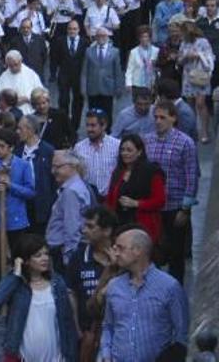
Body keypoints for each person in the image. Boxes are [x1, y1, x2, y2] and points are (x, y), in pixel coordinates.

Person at [99, 229, 189, 361]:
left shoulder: (169, 287)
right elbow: (108, 326)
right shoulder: (114, 286)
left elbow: (181, 334)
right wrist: (106, 355)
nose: (116, 253)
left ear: (137, 251)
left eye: (120, 248)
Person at [0, 234, 79, 361]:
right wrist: (16, 274)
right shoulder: (17, 286)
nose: (45, 258)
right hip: (23, 356)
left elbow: (67, 321)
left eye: (46, 254)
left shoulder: (57, 283)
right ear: (25, 260)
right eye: (38, 255)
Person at [143, 100, 198, 284]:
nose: (158, 121)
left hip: (175, 206)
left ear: (173, 118)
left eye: (162, 117)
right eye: (156, 117)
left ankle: (176, 290)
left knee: (176, 254)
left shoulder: (185, 143)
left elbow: (191, 176)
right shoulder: (147, 141)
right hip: (153, 207)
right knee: (153, 251)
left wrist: (185, 209)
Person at [0, 128, 36, 291]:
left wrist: (11, 186)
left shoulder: (23, 166)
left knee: (19, 258)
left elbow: (31, 191)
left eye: (2, 146)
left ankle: (20, 291)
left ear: (11, 148)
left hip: (16, 220)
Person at [65, 206, 117, 361]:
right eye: (84, 225)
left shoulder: (122, 258)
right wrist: (76, 328)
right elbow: (71, 292)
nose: (84, 230)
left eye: (90, 226)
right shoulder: (79, 256)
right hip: (88, 331)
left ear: (107, 230)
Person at [105, 134, 167, 242]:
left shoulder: (151, 172)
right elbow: (110, 198)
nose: (125, 153)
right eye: (122, 150)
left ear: (139, 152)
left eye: (129, 150)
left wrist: (137, 203)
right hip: (120, 225)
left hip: (143, 226)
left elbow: (160, 201)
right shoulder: (118, 172)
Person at [46, 151, 93, 270]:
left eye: (57, 167)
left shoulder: (71, 191)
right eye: (53, 166)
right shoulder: (76, 186)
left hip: (64, 251)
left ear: (73, 167)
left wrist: (69, 257)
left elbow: (72, 226)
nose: (53, 171)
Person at [14, 114, 56, 237]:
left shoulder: (48, 151)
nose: (18, 132)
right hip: (21, 205)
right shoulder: (17, 152)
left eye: (20, 129)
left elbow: (53, 180)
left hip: (41, 207)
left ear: (30, 130)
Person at [178, 20, 215, 143]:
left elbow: (210, 57)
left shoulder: (203, 42)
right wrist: (186, 57)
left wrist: (199, 55)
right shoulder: (183, 43)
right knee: (190, 105)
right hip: (188, 76)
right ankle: (192, 130)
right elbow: (179, 61)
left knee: (200, 103)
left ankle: (204, 131)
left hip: (201, 75)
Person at [82, 27, 124, 131]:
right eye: (99, 36)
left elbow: (117, 72)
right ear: (95, 37)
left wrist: (119, 88)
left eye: (103, 36)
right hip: (93, 88)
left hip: (108, 88)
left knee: (107, 113)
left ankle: (107, 133)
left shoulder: (115, 52)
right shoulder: (88, 51)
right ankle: (93, 131)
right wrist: (83, 88)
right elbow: (84, 72)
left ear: (108, 37)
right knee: (93, 113)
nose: (101, 38)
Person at [73, 109, 120, 199]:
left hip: (109, 198)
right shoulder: (79, 148)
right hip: (87, 198)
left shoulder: (116, 145)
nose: (89, 129)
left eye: (93, 125)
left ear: (104, 125)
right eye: (87, 125)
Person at [54, 19, 89, 131]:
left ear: (79, 30)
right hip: (64, 75)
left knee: (78, 101)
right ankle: (63, 125)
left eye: (74, 29)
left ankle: (74, 126)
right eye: (70, 28)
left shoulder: (85, 42)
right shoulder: (60, 41)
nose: (72, 31)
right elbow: (55, 58)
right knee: (63, 100)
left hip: (79, 76)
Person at [0, 50, 44, 115]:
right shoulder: (4, 77)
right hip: (11, 115)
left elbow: (40, 93)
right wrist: (10, 103)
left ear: (20, 61)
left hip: (29, 112)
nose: (13, 68)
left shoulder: (31, 74)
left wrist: (27, 99)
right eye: (10, 66)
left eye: (16, 64)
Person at [126, 25, 160, 95]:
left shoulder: (156, 50)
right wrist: (128, 83)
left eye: (146, 36)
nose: (144, 39)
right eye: (142, 37)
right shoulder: (134, 52)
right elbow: (129, 69)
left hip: (151, 84)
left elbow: (158, 68)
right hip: (137, 84)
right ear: (139, 38)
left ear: (150, 38)